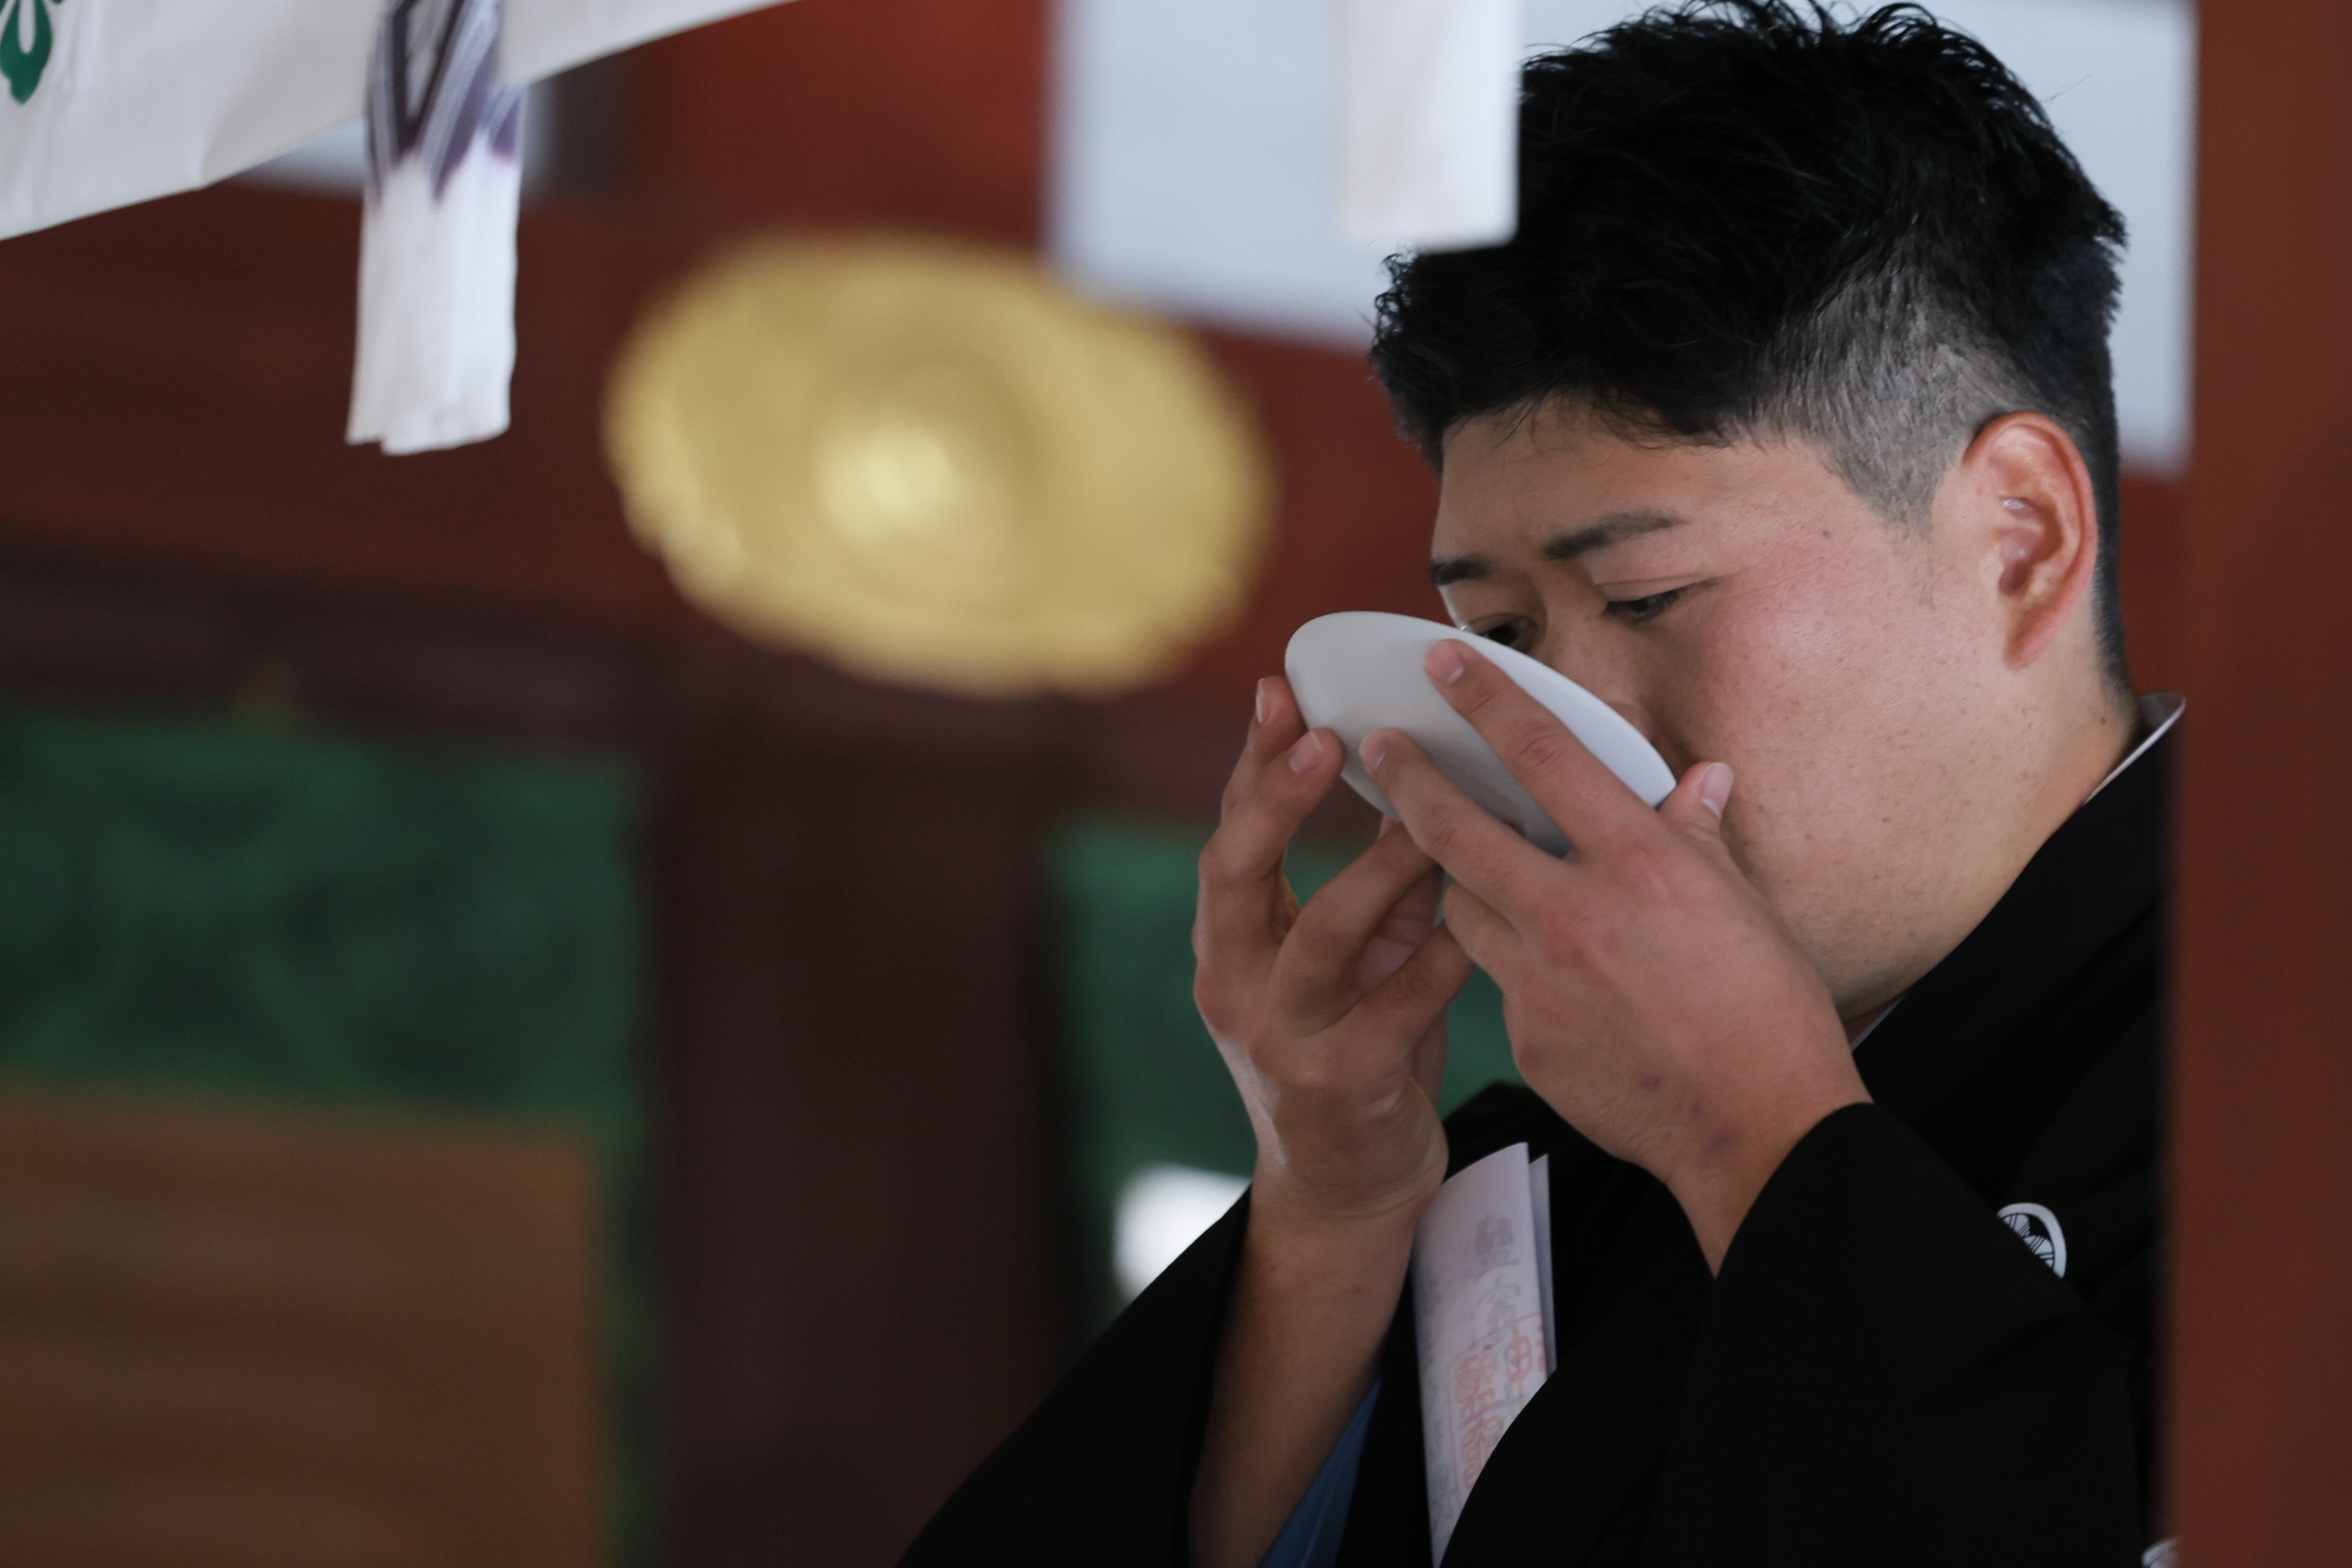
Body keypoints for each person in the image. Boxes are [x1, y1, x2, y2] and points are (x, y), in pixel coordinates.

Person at [905, 3, 2177, 1563]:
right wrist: (1336, 1204)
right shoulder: (1541, 1177)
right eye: (1497, 630)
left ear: (2020, 538)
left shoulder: (2288, 1074)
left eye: (1646, 599)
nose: (1561, 718)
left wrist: (1751, 1142)